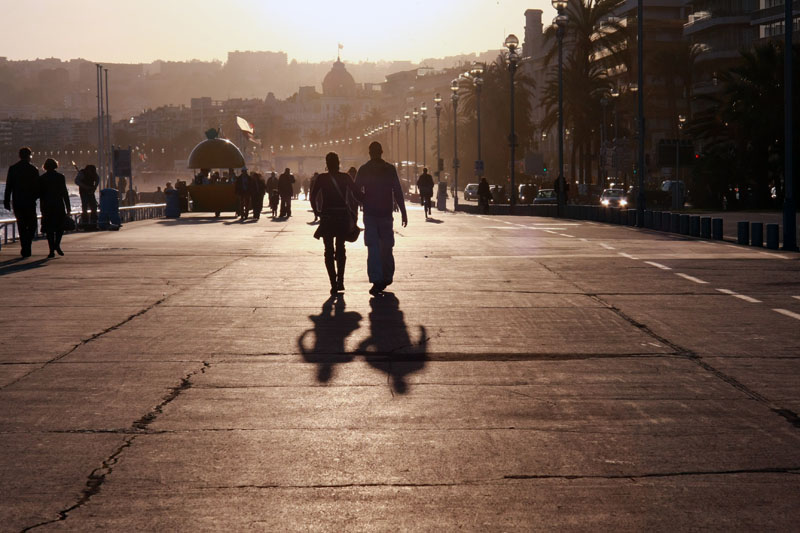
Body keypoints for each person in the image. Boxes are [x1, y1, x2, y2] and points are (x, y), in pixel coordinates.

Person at [354, 141, 407, 295]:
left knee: (373, 248)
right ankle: (386, 277)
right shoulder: (389, 169)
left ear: (369, 153)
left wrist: (364, 200)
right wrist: (403, 211)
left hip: (370, 214)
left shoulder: (364, 169)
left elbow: (355, 190)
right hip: (385, 214)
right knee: (387, 248)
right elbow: (397, 190)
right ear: (381, 152)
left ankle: (377, 280)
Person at [311, 152, 363, 295]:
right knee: (340, 248)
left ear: (327, 164)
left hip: (327, 217)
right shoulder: (345, 177)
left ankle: (333, 283)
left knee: (328, 251)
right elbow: (357, 194)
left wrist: (317, 212)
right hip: (341, 217)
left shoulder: (322, 178)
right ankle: (341, 281)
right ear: (338, 162)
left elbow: (313, 196)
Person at [4, 147, 39, 257]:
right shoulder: (33, 169)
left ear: (19, 156)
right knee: (32, 225)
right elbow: (38, 187)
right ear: (29, 156)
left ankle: (25, 246)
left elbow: (8, 186)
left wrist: (6, 200)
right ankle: (27, 244)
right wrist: (35, 197)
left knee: (21, 225)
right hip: (29, 201)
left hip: (17, 201)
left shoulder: (13, 168)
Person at [38, 159, 71, 258]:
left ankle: (51, 250)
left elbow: (40, 194)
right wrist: (68, 207)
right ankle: (57, 244)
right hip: (58, 205)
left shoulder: (42, 178)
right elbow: (65, 193)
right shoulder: (60, 177)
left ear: (45, 167)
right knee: (60, 227)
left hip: (46, 206)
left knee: (49, 229)